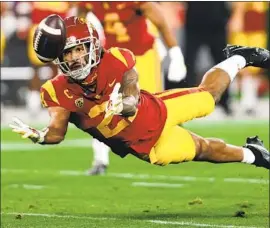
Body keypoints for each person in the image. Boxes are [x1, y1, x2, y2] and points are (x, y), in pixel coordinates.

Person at [10, 16, 270, 171]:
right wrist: (40, 135)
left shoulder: (115, 59)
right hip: (148, 147)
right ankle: (253, 154)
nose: (75, 58)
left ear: (92, 46)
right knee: (203, 150)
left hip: (158, 109)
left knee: (208, 96)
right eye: (68, 53)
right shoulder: (56, 90)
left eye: (80, 49)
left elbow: (132, 90)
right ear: (59, 57)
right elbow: (57, 131)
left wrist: (125, 103)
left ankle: (239, 58)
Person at [75, 2, 187, 175]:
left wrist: (175, 52)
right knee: (99, 107)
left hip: (142, 56)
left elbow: (161, 23)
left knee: (153, 108)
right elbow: (78, 24)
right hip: (114, 57)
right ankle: (100, 160)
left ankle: (179, 136)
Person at [183, 2, 233, 115]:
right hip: (194, 23)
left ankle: (225, 101)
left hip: (218, 23)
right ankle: (187, 101)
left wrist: (233, 17)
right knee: (189, 64)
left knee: (223, 64)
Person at [228, 2, 269, 115]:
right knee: (240, 66)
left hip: (258, 29)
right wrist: (237, 15)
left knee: (255, 68)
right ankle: (235, 100)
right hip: (242, 30)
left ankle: (249, 102)